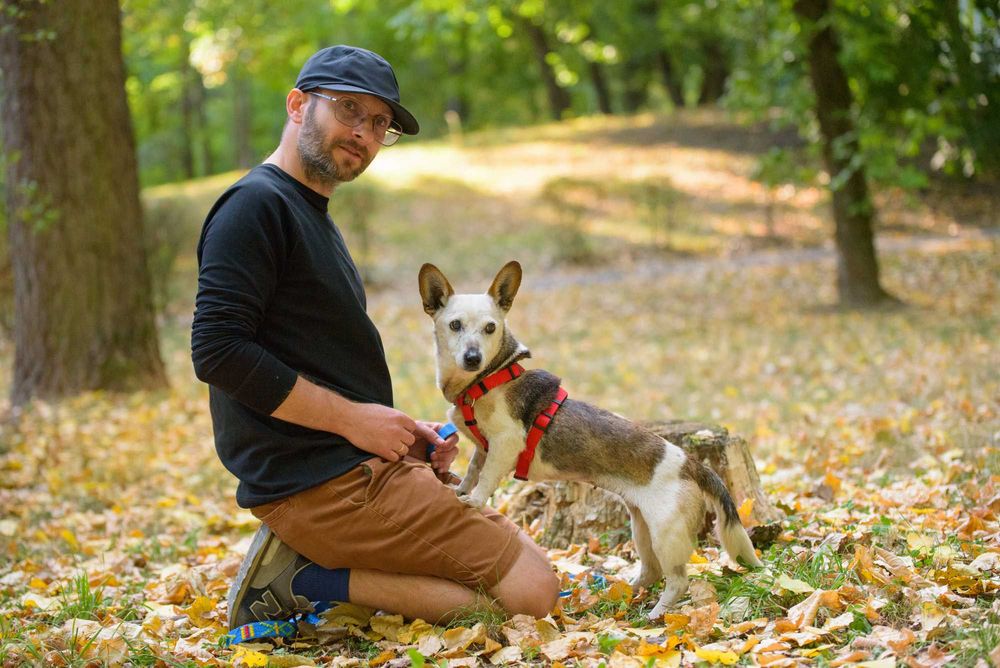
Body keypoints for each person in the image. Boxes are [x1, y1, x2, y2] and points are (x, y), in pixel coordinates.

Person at [191, 45, 559, 631]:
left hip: (352, 468)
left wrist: (399, 433)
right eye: (349, 110)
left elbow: (313, 362)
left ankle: (318, 568)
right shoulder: (255, 207)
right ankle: (300, 580)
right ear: (297, 106)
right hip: (321, 487)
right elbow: (218, 351)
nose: (364, 132)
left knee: (522, 583)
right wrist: (355, 423)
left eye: (380, 123)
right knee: (533, 593)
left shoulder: (311, 214)